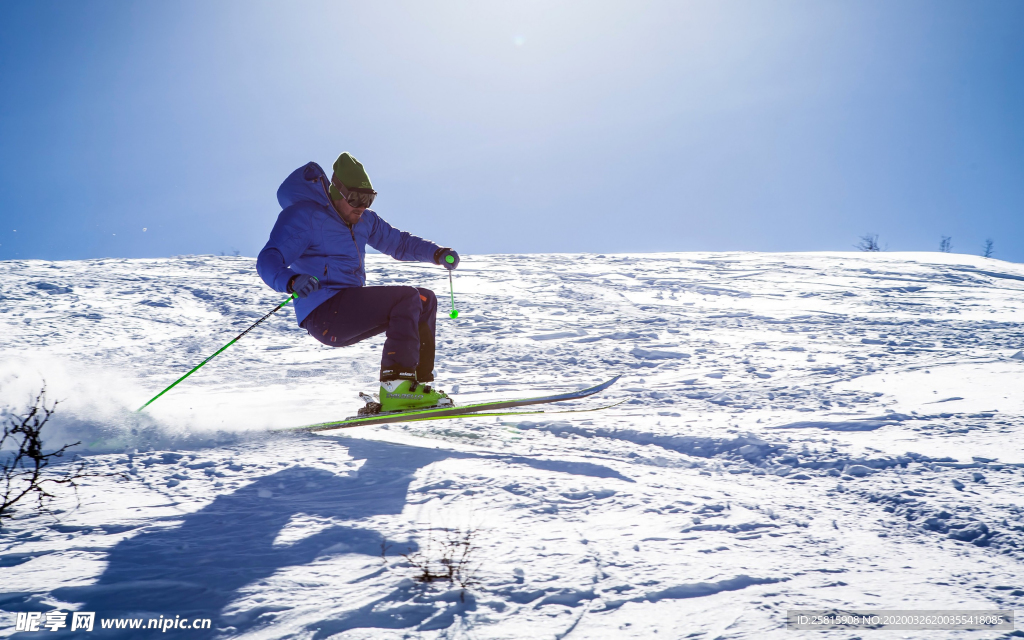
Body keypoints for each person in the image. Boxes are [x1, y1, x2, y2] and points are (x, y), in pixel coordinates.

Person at [256, 153, 459, 412]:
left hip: (349, 306)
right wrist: (291, 280)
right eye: (355, 198)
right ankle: (396, 388)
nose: (361, 206)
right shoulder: (305, 216)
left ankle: (415, 386)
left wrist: (436, 253)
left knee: (423, 299)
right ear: (336, 192)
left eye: (368, 199)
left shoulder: (365, 221)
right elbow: (268, 258)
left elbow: (399, 242)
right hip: (324, 312)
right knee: (406, 297)